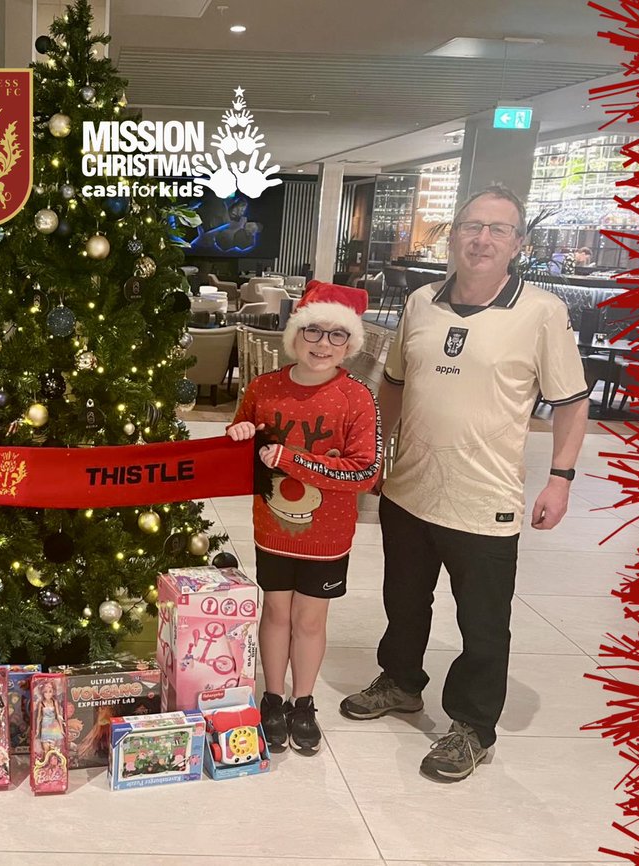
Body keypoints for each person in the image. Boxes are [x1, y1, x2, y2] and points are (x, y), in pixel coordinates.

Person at [339, 183, 589, 782]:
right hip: (409, 489)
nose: (482, 239)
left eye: (498, 229)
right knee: (403, 603)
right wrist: (375, 451)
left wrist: (560, 480)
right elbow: (394, 384)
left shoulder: (541, 312)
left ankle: (473, 727)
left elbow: (572, 403)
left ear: (517, 244)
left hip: (485, 500)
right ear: (452, 235)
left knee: (482, 622)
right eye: (472, 226)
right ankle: (400, 682)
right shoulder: (421, 302)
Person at [226, 281, 382, 754]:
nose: (323, 344)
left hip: (329, 534)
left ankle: (303, 701)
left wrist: (290, 460)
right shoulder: (264, 388)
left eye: (338, 335)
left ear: (351, 344)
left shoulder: (357, 398)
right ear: (295, 334)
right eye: (314, 331)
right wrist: (242, 433)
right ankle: (272, 697)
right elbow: (239, 444)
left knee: (310, 620)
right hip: (273, 527)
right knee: (275, 612)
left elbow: (365, 471)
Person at [33, 678, 65, 752]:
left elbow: (58, 715)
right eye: (46, 692)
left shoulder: (54, 702)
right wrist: (37, 729)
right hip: (45, 725)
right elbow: (38, 717)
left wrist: (62, 729)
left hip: (54, 725)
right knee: (46, 748)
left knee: (53, 748)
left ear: (53, 692)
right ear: (43, 693)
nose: (48, 694)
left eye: (50, 692)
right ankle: (46, 761)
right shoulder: (41, 703)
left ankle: (53, 762)